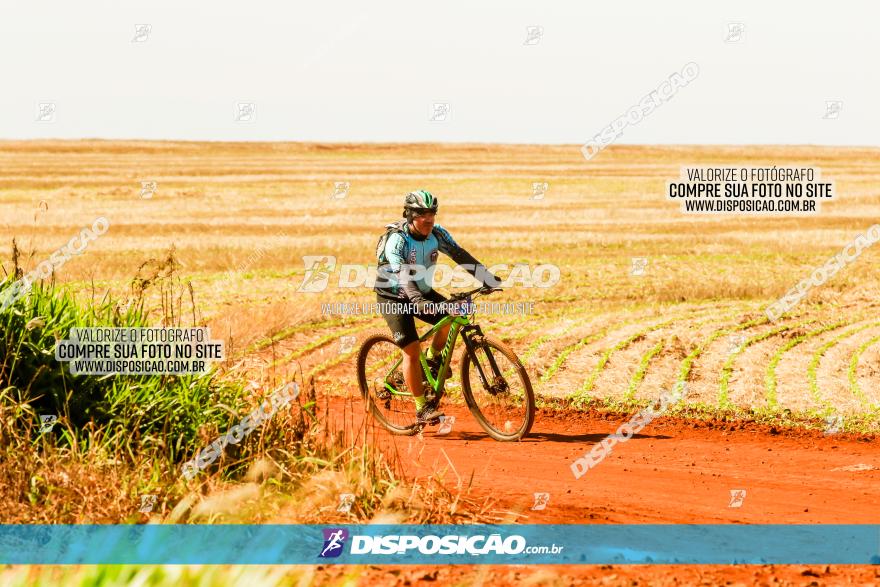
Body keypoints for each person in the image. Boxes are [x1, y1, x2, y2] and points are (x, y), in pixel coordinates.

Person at [374, 190, 501, 424]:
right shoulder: (397, 239)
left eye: (432, 213)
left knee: (452, 315)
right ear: (410, 215)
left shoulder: (437, 234)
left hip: (421, 292)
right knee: (411, 351)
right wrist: (417, 301)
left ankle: (432, 361)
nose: (429, 219)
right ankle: (422, 408)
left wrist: (487, 278)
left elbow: (459, 255)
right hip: (393, 296)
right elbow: (402, 274)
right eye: (422, 214)